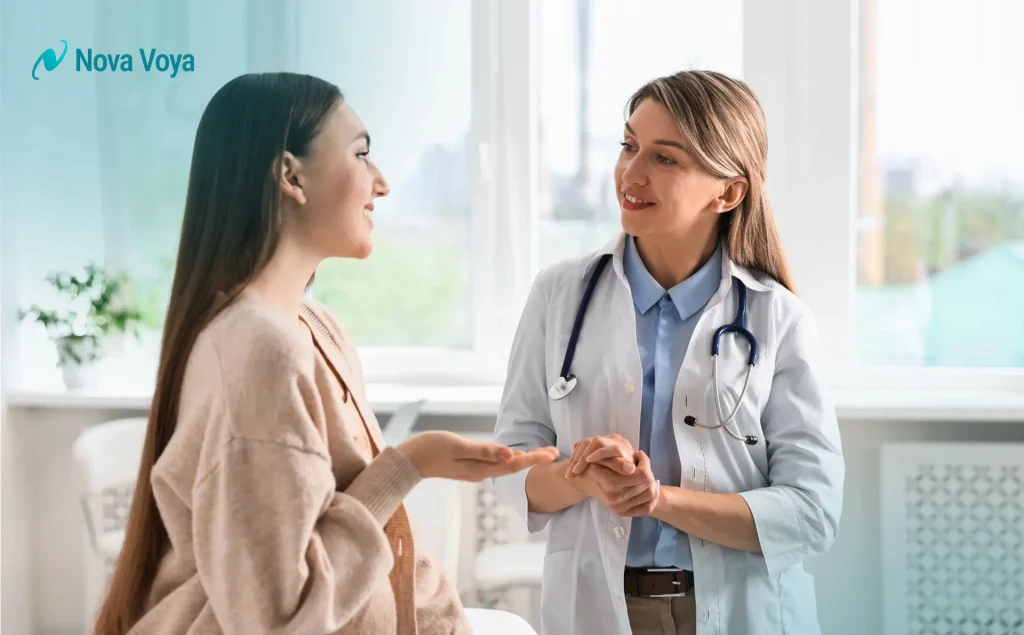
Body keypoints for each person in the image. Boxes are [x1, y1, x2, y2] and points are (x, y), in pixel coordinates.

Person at [92, 72, 558, 635]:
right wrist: (406, 466)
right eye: (361, 154)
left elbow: (390, 539)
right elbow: (279, 616)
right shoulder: (258, 350)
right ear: (291, 175)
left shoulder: (316, 327)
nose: (381, 183)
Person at [492, 70, 844, 635]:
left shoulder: (777, 319)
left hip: (737, 609)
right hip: (598, 607)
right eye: (629, 146)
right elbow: (510, 470)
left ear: (727, 192)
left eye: (666, 159)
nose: (630, 174)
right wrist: (581, 479)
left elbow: (812, 512)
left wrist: (656, 500)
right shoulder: (559, 295)